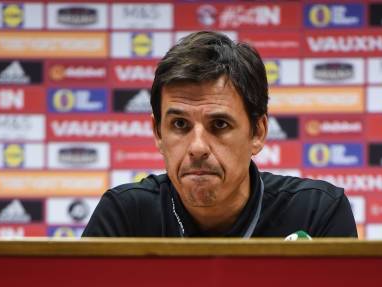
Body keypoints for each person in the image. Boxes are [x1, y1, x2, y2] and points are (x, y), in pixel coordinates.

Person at [83, 31, 357, 238]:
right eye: (180, 125)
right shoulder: (124, 217)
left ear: (257, 133)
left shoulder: (317, 213)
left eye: (219, 125)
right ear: (158, 133)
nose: (198, 147)